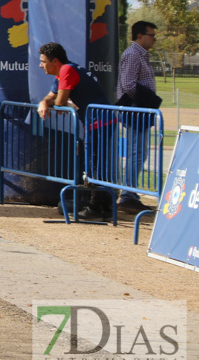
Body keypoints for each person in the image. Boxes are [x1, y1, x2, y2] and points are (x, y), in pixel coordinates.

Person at [36, 42, 113, 220]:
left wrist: (55, 102)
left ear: (55, 61)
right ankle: (103, 206)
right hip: (95, 121)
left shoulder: (66, 70)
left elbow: (61, 101)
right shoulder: (63, 71)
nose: (40, 65)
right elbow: (51, 96)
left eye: (43, 61)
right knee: (94, 161)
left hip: (99, 121)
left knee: (95, 162)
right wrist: (43, 102)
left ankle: (97, 207)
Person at [116, 21, 160, 214]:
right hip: (135, 110)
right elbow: (128, 84)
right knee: (137, 153)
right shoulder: (133, 54)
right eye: (152, 35)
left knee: (140, 153)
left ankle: (130, 194)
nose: (154, 39)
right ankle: (127, 196)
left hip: (140, 110)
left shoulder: (140, 54)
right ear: (140, 36)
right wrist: (145, 102)